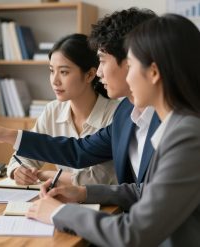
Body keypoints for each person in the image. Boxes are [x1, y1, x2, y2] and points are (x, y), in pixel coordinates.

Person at [26, 14, 200, 246]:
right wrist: (82, 192)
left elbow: (133, 233)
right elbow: (147, 191)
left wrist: (57, 213)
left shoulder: (187, 135)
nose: (127, 76)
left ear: (154, 72)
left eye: (132, 66)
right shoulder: (177, 126)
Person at [0, 8, 160, 186]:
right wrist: (4, 136)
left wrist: (47, 177)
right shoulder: (128, 113)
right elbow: (77, 152)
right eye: (51, 71)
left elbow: (108, 183)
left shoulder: (161, 121)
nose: (99, 73)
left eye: (64, 72)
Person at [8, 33, 119, 186]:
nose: (55, 81)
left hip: (106, 205)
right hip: (62, 200)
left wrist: (43, 174)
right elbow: (24, 155)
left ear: (90, 75)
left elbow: (101, 179)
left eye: (64, 72)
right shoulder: (52, 110)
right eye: (52, 70)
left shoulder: (116, 114)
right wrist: (17, 171)